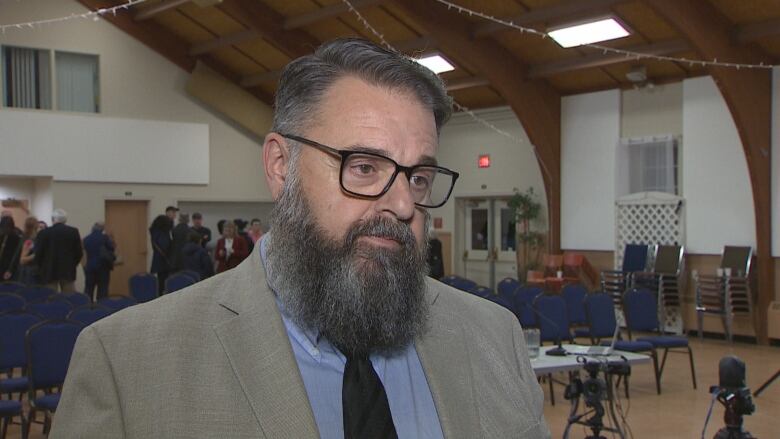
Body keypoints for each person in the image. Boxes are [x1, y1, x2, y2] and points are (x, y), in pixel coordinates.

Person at [52, 38, 548, 438]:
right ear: (279, 166)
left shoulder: (492, 337)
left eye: (418, 178)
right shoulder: (127, 365)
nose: (402, 205)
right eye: (364, 166)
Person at [34, 209, 83, 292]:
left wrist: (41, 266)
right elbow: (78, 252)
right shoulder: (73, 231)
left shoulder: (44, 233)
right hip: (68, 269)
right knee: (69, 297)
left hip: (49, 269)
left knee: (50, 297)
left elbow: (38, 253)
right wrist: (73, 264)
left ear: (52, 219)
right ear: (65, 220)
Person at [82, 222, 115, 302]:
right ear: (102, 229)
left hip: (90, 267)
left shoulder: (86, 239)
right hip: (103, 267)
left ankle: (87, 307)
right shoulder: (105, 238)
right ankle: (101, 307)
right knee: (102, 289)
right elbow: (112, 248)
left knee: (89, 289)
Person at [148, 214, 173, 294]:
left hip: (158, 260)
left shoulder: (154, 232)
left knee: (160, 282)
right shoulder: (162, 233)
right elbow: (165, 245)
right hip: (164, 261)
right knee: (164, 283)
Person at [17, 216, 41, 285]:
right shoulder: (29, 241)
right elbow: (22, 260)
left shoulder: (33, 238)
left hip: (31, 271)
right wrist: (35, 255)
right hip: (29, 272)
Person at [0, 216, 21, 281]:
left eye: (6, 228)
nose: (4, 230)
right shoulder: (2, 235)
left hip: (8, 268)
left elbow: (16, 256)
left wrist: (10, 270)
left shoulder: (16, 238)